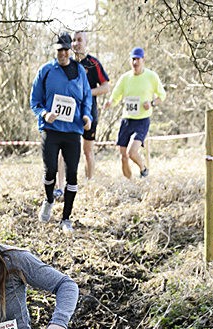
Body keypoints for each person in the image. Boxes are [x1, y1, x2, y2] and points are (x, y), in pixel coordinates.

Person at [30, 32, 93, 234]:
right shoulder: (46, 71)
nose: (63, 53)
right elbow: (34, 102)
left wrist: (87, 117)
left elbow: (86, 99)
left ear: (70, 50)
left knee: (72, 175)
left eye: (66, 49)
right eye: (60, 50)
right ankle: (48, 200)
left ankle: (66, 218)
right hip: (51, 130)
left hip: (73, 132)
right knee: (50, 171)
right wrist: (45, 113)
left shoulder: (79, 71)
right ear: (55, 50)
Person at [105, 47, 166, 179]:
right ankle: (130, 183)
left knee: (131, 152)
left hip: (142, 120)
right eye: (133, 59)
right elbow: (116, 96)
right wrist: (110, 103)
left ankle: (143, 169)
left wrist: (152, 103)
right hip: (127, 119)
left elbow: (162, 95)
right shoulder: (125, 78)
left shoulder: (151, 76)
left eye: (138, 59)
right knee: (123, 156)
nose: (135, 62)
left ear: (143, 60)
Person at [72, 30, 110, 179]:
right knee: (68, 150)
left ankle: (89, 182)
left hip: (89, 113)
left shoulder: (93, 63)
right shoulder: (67, 63)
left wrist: (87, 92)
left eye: (80, 40)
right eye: (74, 40)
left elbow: (106, 87)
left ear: (86, 43)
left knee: (87, 151)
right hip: (70, 113)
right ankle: (68, 182)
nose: (76, 43)